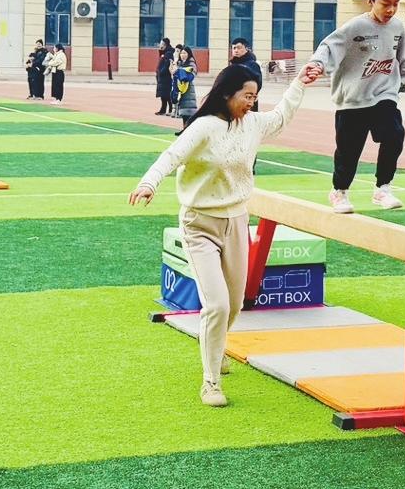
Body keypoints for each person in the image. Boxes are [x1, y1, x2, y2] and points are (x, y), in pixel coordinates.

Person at [128, 63, 318, 406]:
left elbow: (280, 117)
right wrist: (148, 183)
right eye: (247, 96)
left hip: (237, 222)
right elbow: (171, 156)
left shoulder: (253, 124)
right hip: (199, 224)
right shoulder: (204, 127)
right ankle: (210, 382)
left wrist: (300, 84)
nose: (251, 102)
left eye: (255, 97)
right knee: (216, 305)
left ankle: (216, 348)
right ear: (227, 93)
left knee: (234, 304)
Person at [308, 0, 405, 214]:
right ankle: (339, 191)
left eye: (396, 4)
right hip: (352, 98)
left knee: (394, 134)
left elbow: (402, 56)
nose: (391, 10)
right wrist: (318, 65)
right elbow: (329, 46)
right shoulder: (356, 26)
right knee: (349, 152)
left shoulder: (397, 27)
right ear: (371, 1)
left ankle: (383, 187)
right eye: (386, 4)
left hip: (384, 93)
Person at [171, 46, 198, 127]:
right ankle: (184, 129)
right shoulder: (180, 64)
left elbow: (190, 77)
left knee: (188, 114)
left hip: (188, 92)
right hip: (181, 91)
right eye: (181, 53)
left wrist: (178, 71)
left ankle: (187, 130)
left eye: (185, 53)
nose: (183, 55)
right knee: (184, 115)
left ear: (189, 54)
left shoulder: (191, 64)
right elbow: (173, 74)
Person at [155, 37, 175, 115]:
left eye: (161, 44)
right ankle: (163, 110)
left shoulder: (168, 53)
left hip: (166, 77)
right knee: (163, 94)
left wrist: (161, 72)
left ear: (165, 44)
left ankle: (170, 109)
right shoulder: (165, 52)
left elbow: (167, 65)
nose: (160, 45)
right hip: (162, 77)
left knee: (166, 94)